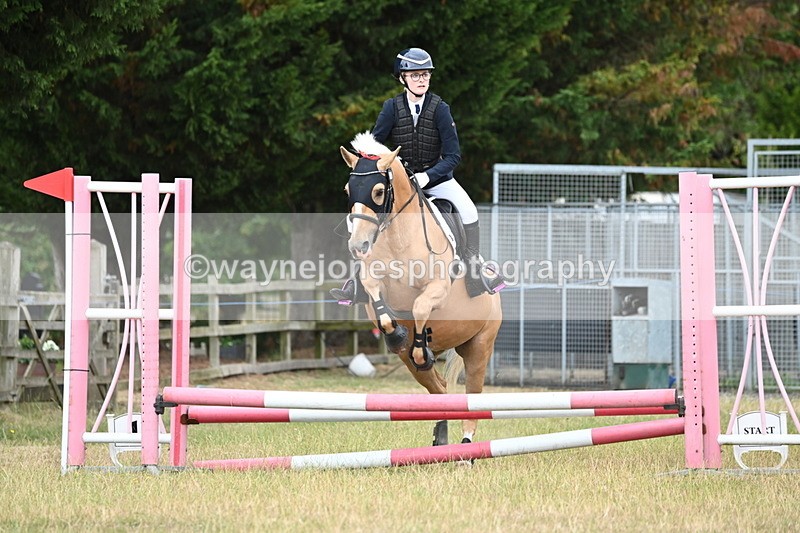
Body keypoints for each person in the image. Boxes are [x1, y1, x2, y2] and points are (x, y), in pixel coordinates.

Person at [332, 47, 504, 304]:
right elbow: (373, 145)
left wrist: (428, 176)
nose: (421, 79)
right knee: (361, 213)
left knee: (469, 210)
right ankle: (358, 278)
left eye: (425, 74)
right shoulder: (391, 108)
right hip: (399, 183)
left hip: (438, 180)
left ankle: (474, 266)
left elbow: (454, 155)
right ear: (402, 78)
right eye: (415, 75)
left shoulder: (440, 109)